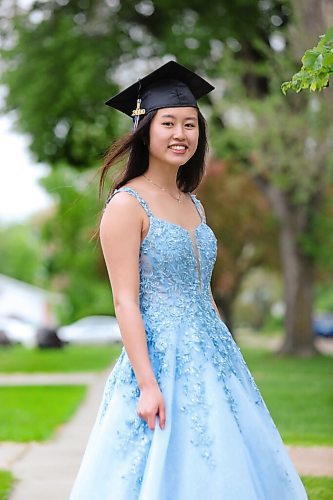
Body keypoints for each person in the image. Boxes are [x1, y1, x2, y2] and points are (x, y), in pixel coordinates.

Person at [68, 61, 308, 499]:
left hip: (214, 357)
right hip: (161, 361)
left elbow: (204, 290)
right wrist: (147, 384)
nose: (181, 134)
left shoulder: (193, 204)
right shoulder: (127, 205)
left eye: (191, 124)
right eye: (169, 123)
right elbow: (125, 302)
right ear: (145, 128)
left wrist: (228, 353)